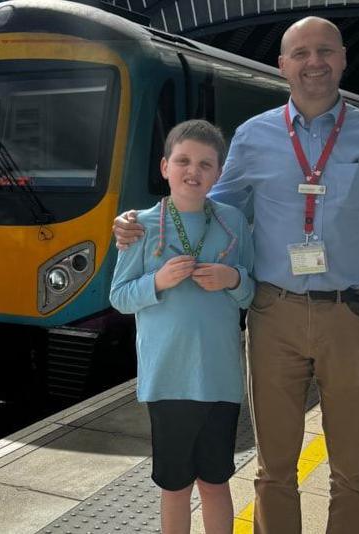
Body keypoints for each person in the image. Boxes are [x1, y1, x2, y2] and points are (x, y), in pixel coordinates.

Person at [113, 17, 359, 534]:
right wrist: (139, 222)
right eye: (300, 54)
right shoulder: (255, 137)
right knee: (274, 467)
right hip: (273, 314)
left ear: (344, 58)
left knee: (353, 468)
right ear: (282, 66)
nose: (314, 62)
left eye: (325, 51)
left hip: (351, 313)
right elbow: (208, 207)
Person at [109, 119, 255, 534]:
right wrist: (157, 281)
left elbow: (253, 293)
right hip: (168, 378)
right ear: (164, 166)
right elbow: (119, 297)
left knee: (215, 482)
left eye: (206, 164)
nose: (194, 171)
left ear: (219, 173)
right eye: (183, 160)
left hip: (220, 377)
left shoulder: (233, 224)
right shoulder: (140, 227)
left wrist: (233, 280)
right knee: (174, 486)